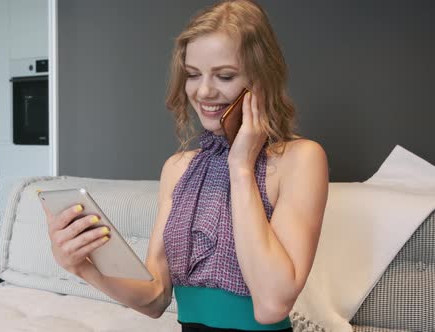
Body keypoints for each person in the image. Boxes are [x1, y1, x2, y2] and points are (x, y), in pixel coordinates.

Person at [42, 1, 329, 331]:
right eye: (193, 74)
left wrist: (241, 167)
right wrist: (83, 267)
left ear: (260, 80)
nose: (203, 91)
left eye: (224, 75)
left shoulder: (300, 159)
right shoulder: (177, 168)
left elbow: (271, 305)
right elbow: (156, 297)